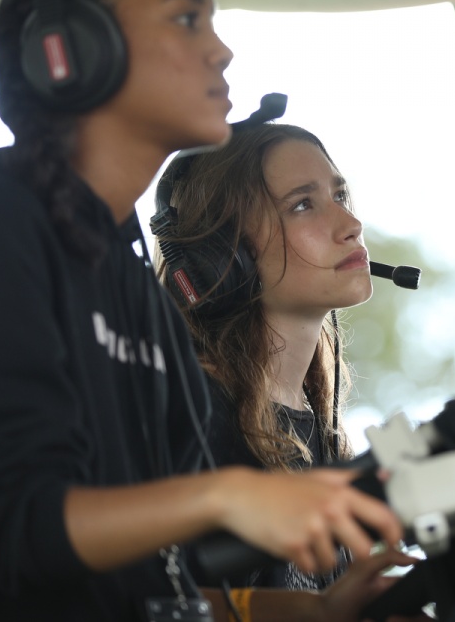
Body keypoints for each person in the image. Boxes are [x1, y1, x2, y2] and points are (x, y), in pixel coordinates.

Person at [0, 0, 409, 622]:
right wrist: (227, 496)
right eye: (187, 19)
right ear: (75, 49)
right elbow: (15, 528)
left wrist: (321, 613)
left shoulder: (136, 293)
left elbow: (160, 594)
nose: (221, 50)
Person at [151, 122, 374, 591]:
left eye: (340, 196)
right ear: (226, 257)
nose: (351, 225)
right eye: (302, 205)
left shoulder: (323, 433)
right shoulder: (191, 413)